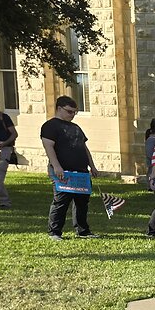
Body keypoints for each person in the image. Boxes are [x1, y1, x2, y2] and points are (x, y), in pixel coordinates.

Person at [41, 96, 99, 240]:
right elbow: (48, 147)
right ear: (59, 108)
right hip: (62, 170)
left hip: (81, 171)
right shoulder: (50, 126)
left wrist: (92, 166)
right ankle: (54, 232)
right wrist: (57, 167)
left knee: (82, 201)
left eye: (75, 112)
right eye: (69, 112)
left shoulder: (76, 127)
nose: (72, 115)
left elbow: (84, 148)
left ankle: (82, 230)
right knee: (61, 201)